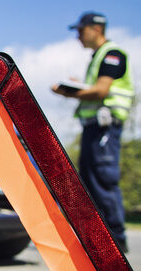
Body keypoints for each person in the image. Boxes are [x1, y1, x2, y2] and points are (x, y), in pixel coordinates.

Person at [52, 12, 135, 253]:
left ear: (96, 29)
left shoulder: (112, 54)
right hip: (94, 128)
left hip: (105, 127)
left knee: (103, 179)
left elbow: (101, 91)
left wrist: (70, 92)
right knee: (90, 179)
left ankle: (116, 241)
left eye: (81, 30)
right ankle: (100, 240)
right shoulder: (97, 57)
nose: (78, 35)